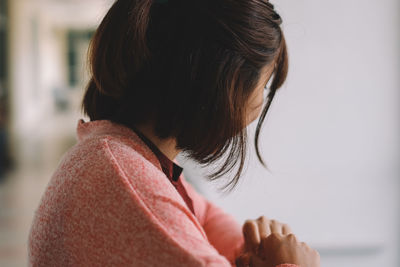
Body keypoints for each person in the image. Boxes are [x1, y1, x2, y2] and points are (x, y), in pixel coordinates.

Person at [28, 0, 320, 266]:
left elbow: (202, 215)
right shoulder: (127, 179)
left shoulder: (120, 154)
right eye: (265, 86)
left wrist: (255, 251)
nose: (260, 103)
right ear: (224, 87)